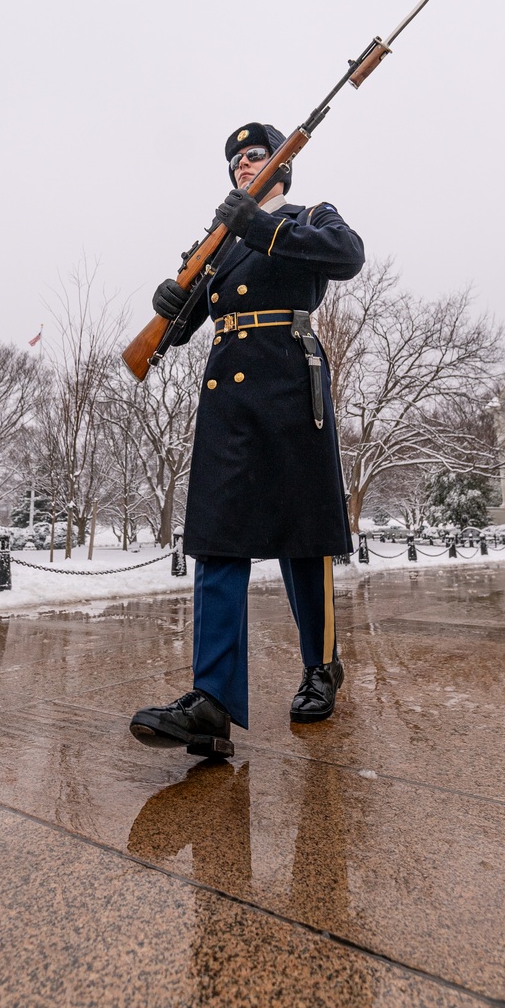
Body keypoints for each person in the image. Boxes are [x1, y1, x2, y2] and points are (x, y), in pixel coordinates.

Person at [129, 122, 365, 758]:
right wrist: (173, 301)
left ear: (281, 165)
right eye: (236, 160)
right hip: (227, 395)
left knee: (304, 534)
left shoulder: (309, 216)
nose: (244, 165)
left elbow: (347, 257)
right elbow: (179, 331)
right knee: (218, 537)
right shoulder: (219, 243)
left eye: (256, 156)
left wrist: (262, 227)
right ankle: (213, 701)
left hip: (289, 382)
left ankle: (321, 666)